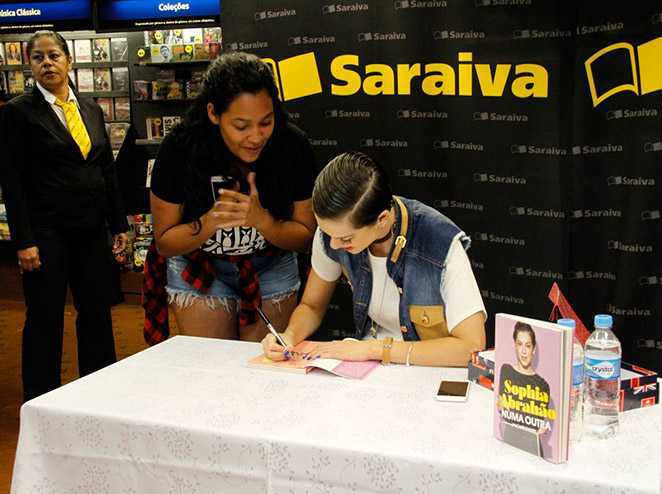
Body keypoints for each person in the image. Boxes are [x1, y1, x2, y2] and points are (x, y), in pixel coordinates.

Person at [149, 51, 317, 342]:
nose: (255, 137)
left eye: (266, 122)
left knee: (266, 371)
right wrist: (210, 221)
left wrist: (262, 221)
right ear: (213, 113)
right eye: (241, 126)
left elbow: (305, 237)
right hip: (199, 266)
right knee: (210, 371)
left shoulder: (293, 145)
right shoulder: (180, 147)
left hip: (272, 265)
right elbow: (165, 243)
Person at [261, 151, 486, 366]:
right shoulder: (334, 232)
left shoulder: (438, 242)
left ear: (381, 219)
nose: (333, 244)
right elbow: (311, 306)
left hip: (428, 371)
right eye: (327, 233)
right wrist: (289, 335)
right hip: (368, 365)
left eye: (346, 238)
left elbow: (471, 347)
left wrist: (374, 350)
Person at [0, 31, 128, 401]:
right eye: (38, 58)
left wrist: (117, 223)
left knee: (97, 314)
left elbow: (107, 169)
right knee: (45, 318)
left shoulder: (90, 109)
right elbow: (12, 181)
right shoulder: (18, 113)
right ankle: (41, 400)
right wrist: (24, 240)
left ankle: (99, 393)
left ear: (69, 60)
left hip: (91, 229)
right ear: (30, 65)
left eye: (53, 55)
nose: (47, 63)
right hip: (46, 232)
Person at [497, 322, 551, 457]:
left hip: (533, 450)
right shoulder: (506, 370)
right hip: (508, 444)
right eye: (520, 344)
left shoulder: (542, 385)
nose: (524, 351)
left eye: (528, 345)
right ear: (515, 346)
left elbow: (537, 425)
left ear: (534, 349)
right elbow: (503, 410)